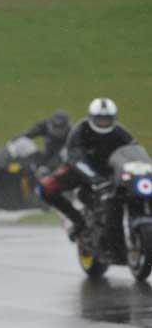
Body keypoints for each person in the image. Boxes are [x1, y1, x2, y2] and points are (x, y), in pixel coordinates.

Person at [39, 98, 135, 240]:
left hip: (109, 172)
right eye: (100, 119)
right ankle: (77, 220)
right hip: (78, 170)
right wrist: (95, 178)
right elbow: (75, 158)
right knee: (46, 187)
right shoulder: (80, 130)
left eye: (107, 119)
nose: (103, 122)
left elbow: (134, 151)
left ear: (114, 118)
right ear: (91, 117)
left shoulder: (119, 132)